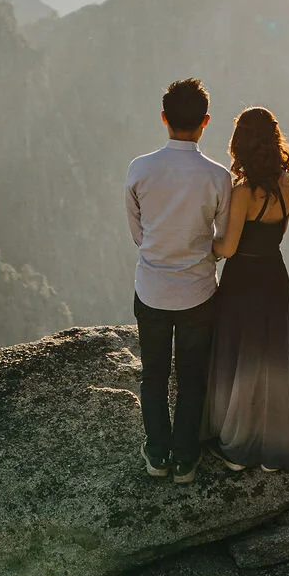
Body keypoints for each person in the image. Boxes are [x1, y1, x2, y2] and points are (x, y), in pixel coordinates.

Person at [125, 76, 232, 484]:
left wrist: (159, 250)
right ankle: (186, 458)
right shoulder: (218, 177)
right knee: (191, 377)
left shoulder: (139, 169)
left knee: (153, 375)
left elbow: (137, 232)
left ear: (163, 118)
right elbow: (222, 239)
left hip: (151, 288)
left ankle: (156, 454)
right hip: (198, 292)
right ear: (206, 122)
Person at [205, 106, 289, 472]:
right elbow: (279, 233)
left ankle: (239, 447)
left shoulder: (243, 191)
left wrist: (204, 244)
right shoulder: (286, 182)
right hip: (274, 275)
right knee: (271, 356)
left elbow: (229, 248)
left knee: (242, 357)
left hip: (243, 280)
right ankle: (273, 447)